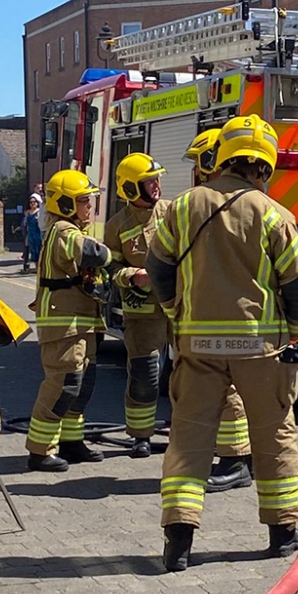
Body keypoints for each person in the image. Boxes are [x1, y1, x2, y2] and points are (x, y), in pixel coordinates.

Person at [147, 115, 298, 572]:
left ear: (221, 158)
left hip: (197, 349)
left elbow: (159, 268)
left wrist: (174, 312)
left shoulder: (181, 208)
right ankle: (282, 534)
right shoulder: (274, 214)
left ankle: (178, 543)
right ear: (264, 167)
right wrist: (292, 333)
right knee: (274, 434)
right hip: (262, 352)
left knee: (187, 440)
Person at [25, 170, 111, 472]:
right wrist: (115, 256)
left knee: (82, 385)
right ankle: (39, 451)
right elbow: (95, 253)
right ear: (65, 204)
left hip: (81, 321)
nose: (90, 206)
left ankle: (71, 443)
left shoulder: (73, 228)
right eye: (84, 200)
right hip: (64, 323)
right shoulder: (64, 230)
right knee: (63, 385)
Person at [182, 130, 254, 493]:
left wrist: (173, 307)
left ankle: (235, 460)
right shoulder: (259, 206)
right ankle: (245, 459)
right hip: (254, 326)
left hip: (217, 323)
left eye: (198, 164)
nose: (195, 174)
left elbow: (164, 265)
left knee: (227, 393)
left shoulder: (195, 207)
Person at [104, 153, 170, 459]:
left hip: (180, 307)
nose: (156, 186)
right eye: (148, 181)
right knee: (144, 375)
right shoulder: (116, 225)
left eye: (156, 179)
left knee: (193, 373)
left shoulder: (173, 212)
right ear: (131, 189)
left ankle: (188, 433)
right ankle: (141, 436)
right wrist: (132, 275)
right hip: (142, 314)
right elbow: (110, 269)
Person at [22, 198, 42, 274]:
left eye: (34, 202)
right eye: (31, 202)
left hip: (37, 233)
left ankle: (40, 268)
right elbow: (25, 223)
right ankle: (37, 267)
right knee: (33, 251)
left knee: (39, 250)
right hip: (30, 234)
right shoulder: (27, 213)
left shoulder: (39, 212)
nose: (33, 203)